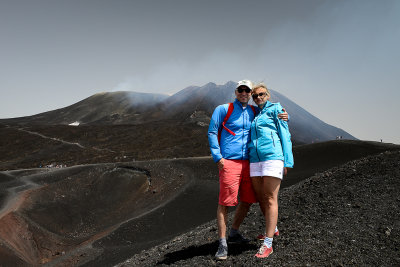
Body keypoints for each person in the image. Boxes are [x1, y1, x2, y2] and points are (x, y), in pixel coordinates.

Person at [208, 80, 288, 260]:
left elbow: (271, 114)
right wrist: (218, 157)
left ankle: (234, 232)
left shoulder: (254, 111)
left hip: (250, 163)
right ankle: (222, 243)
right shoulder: (223, 109)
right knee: (226, 202)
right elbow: (212, 132)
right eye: (241, 90)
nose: (244, 93)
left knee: (248, 199)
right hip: (229, 162)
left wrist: (284, 115)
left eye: (247, 91)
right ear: (236, 92)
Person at [248, 83, 294, 258]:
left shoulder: (277, 109)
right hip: (255, 160)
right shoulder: (254, 113)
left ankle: (268, 244)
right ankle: (272, 228)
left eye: (261, 94)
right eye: (255, 96)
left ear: (268, 94)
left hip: (273, 157)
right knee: (261, 197)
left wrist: (287, 161)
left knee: (270, 197)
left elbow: (285, 135)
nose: (258, 97)